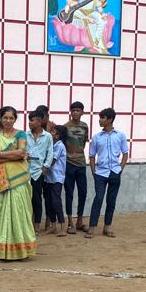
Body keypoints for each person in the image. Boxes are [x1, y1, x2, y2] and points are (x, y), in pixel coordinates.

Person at [0, 106, 36, 261]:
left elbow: (21, 152)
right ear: (0, 118)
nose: (8, 121)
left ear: (15, 119)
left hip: (18, 180)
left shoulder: (21, 134)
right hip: (0, 180)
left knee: (18, 212)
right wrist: (13, 157)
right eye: (5, 118)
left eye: (11, 118)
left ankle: (19, 249)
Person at [86, 107, 129, 238]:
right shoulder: (96, 137)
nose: (100, 120)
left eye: (102, 118)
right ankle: (92, 227)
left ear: (109, 120)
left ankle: (107, 227)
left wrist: (120, 169)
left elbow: (125, 153)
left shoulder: (120, 135)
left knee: (111, 201)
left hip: (115, 172)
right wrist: (94, 172)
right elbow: (92, 155)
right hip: (100, 173)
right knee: (98, 199)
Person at [63, 101, 90, 233]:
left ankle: (80, 221)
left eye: (78, 110)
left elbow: (84, 143)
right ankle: (70, 222)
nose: (75, 113)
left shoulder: (85, 126)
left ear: (82, 112)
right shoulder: (65, 127)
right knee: (69, 193)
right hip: (68, 164)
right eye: (73, 110)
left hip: (81, 164)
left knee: (83, 192)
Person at [27, 109, 54, 231]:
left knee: (37, 199)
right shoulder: (25, 135)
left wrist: (45, 168)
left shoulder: (47, 136)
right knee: (26, 198)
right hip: (25, 171)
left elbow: (50, 153)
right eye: (29, 120)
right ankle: (27, 224)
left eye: (32, 120)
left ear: (39, 121)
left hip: (39, 172)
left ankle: (36, 225)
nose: (30, 123)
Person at [46, 125, 68, 236]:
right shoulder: (52, 145)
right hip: (49, 178)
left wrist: (41, 168)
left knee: (56, 201)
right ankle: (53, 226)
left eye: (53, 132)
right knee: (49, 202)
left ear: (58, 136)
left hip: (57, 178)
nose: (51, 133)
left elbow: (52, 161)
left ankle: (62, 227)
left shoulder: (60, 146)